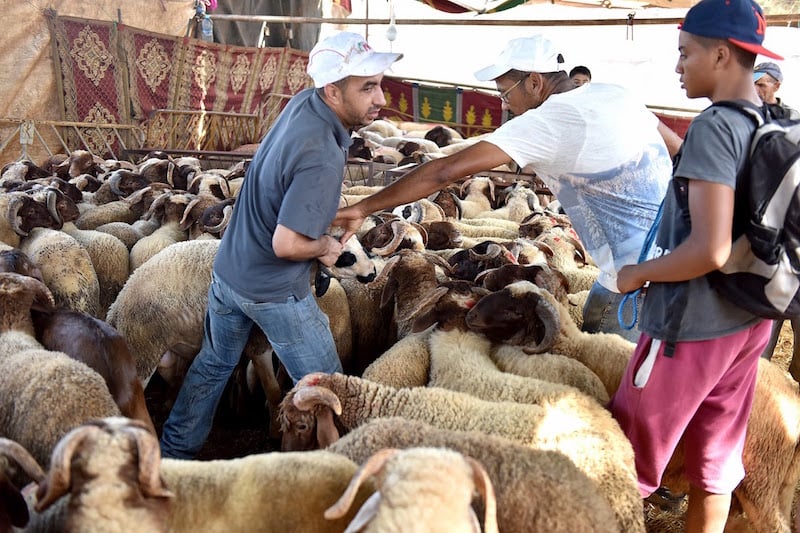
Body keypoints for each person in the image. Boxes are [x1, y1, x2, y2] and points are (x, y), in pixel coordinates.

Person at [334, 34, 681, 343]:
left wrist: (362, 208)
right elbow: (679, 148)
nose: (503, 104)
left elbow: (444, 171)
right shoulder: (615, 94)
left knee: (618, 390)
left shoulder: (547, 121)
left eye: (505, 92)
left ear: (534, 82)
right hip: (681, 260)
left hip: (636, 283)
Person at [159, 31, 402, 459]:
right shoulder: (322, 154)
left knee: (214, 364)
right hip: (274, 292)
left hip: (230, 271)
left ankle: (174, 455)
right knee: (327, 388)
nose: (381, 97)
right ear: (332, 89)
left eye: (379, 83)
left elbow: (281, 192)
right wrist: (326, 247)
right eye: (367, 87)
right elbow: (288, 243)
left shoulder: (301, 107)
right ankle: (341, 469)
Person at [609, 0, 779, 530]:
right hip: (749, 320)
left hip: (691, 325)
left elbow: (709, 250)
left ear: (722, 54)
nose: (678, 67)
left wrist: (638, 275)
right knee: (715, 465)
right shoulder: (770, 118)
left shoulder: (715, 126)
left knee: (621, 463)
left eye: (685, 54)